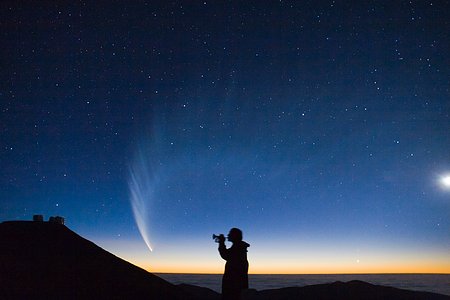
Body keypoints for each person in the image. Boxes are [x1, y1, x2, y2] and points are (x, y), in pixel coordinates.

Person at [217, 228, 250, 300]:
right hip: (237, 282)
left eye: (230, 234)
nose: (228, 235)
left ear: (234, 236)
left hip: (233, 284)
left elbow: (225, 255)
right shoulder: (239, 247)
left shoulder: (238, 248)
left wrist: (221, 243)